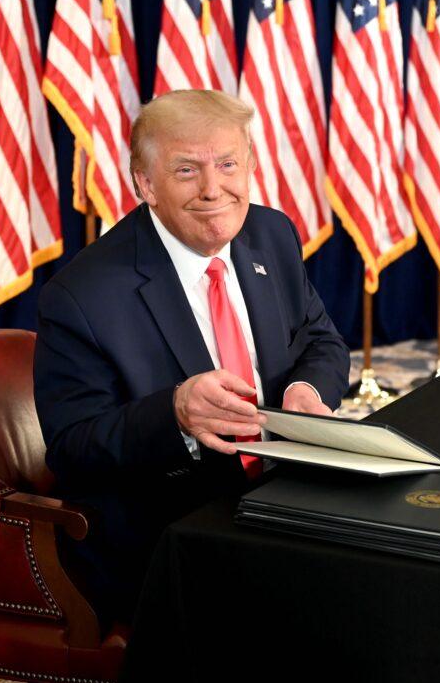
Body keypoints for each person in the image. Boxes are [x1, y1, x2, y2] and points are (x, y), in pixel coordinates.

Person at [33, 90, 350, 622]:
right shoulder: (81, 295)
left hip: (285, 489)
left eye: (228, 165)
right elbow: (72, 450)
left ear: (249, 165)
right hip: (171, 526)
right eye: (186, 170)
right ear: (145, 184)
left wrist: (304, 392)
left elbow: (320, 341)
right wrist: (174, 413)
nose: (213, 189)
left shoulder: (271, 234)